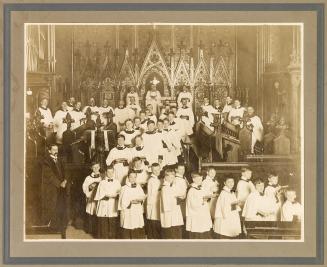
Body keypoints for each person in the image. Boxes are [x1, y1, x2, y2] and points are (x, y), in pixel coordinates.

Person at [41, 144, 68, 238]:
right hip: (52, 188)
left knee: (60, 205)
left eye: (57, 149)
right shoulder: (46, 161)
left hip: (61, 187)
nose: (56, 151)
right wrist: (60, 183)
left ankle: (58, 226)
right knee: (53, 205)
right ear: (49, 151)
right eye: (54, 149)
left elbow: (64, 171)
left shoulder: (59, 159)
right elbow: (49, 175)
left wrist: (65, 180)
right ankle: (52, 226)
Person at [94, 165, 121, 239]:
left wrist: (117, 195)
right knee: (104, 222)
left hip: (113, 204)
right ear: (106, 172)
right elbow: (98, 195)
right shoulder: (102, 183)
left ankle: (112, 239)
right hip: (104, 204)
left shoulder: (117, 182)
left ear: (114, 172)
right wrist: (105, 196)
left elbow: (120, 193)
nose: (110, 174)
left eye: (112, 172)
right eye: (108, 172)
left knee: (112, 222)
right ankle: (104, 238)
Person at [118, 171, 146, 239]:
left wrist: (141, 200)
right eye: (131, 177)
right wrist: (130, 202)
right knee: (128, 225)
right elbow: (122, 202)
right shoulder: (124, 188)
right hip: (128, 211)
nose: (133, 179)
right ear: (128, 177)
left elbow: (142, 196)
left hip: (137, 210)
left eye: (134, 177)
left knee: (136, 226)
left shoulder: (138, 186)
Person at [186, 172, 212, 239]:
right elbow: (192, 205)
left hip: (203, 215)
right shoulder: (192, 190)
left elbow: (206, 195)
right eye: (198, 179)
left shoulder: (201, 188)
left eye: (201, 179)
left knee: (204, 232)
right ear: (193, 179)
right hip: (196, 216)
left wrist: (209, 196)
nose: (200, 181)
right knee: (197, 233)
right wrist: (203, 201)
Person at [160, 169, 184, 239]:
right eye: (171, 177)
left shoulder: (172, 186)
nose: (172, 179)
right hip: (170, 214)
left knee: (176, 230)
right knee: (171, 233)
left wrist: (180, 196)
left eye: (173, 177)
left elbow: (180, 193)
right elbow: (166, 204)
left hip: (175, 213)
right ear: (166, 177)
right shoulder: (165, 187)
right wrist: (176, 197)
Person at [82, 162, 102, 237]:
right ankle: (91, 229)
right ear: (92, 168)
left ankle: (98, 231)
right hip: (92, 197)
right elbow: (84, 187)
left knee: (99, 213)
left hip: (100, 198)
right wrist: (90, 188)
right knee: (91, 213)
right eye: (94, 167)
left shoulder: (103, 176)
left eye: (97, 167)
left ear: (99, 167)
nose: (96, 169)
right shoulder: (88, 178)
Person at [146, 163, 162, 239]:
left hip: (156, 204)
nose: (156, 171)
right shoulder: (152, 180)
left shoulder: (157, 179)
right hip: (153, 205)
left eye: (158, 169)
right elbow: (152, 195)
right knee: (154, 225)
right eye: (154, 170)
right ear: (152, 170)